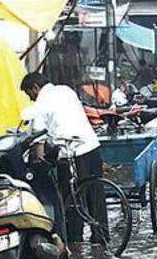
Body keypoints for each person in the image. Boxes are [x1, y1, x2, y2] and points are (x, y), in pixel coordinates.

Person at [20, 73, 107, 243]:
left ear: (36, 88)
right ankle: (101, 237)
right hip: (91, 146)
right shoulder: (66, 90)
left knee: (71, 199)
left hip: (72, 153)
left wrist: (38, 161)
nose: (31, 99)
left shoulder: (41, 104)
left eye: (30, 94)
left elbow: (37, 138)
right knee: (95, 195)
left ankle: (75, 241)